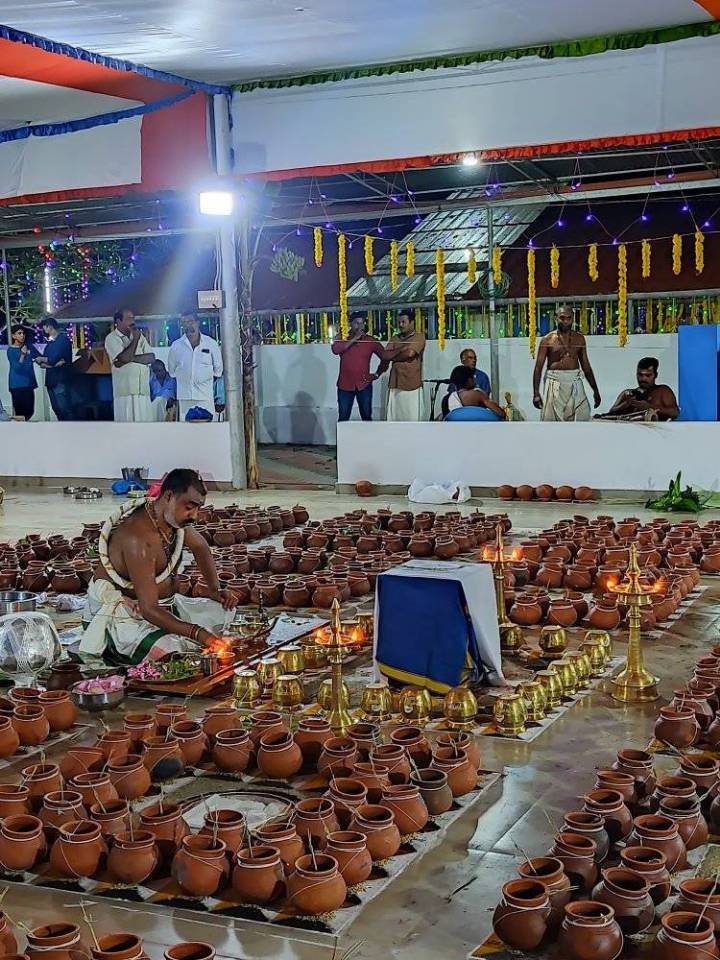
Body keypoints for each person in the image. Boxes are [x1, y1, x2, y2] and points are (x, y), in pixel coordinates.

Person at [79, 469, 238, 664]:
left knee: (224, 613)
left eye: (199, 508)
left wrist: (215, 590)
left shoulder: (172, 521)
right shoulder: (138, 539)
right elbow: (148, 609)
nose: (195, 515)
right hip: (123, 618)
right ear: (169, 496)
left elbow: (201, 547)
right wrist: (198, 633)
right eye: (190, 507)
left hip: (165, 606)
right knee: (172, 650)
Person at [532, 304, 601, 421]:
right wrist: (536, 394)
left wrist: (595, 390)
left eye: (569, 318)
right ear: (556, 318)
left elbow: (586, 366)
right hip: (554, 382)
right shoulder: (547, 339)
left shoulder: (579, 338)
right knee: (551, 422)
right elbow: (538, 368)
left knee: (582, 417)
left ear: (573, 318)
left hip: (575, 381)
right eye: (562, 318)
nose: (566, 321)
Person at [167, 312, 223, 421]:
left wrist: (202, 379)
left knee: (209, 432)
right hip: (185, 398)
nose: (188, 325)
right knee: (187, 433)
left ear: (197, 323)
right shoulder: (176, 346)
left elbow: (218, 370)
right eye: (185, 322)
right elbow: (172, 371)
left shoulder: (211, 344)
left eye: (191, 321)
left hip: (205, 397)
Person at [331, 311, 385, 421]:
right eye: (356, 323)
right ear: (350, 324)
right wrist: (354, 338)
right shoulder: (343, 337)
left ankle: (367, 438)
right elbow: (335, 350)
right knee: (343, 418)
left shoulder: (370, 340)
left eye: (362, 323)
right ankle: (344, 438)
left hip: (364, 385)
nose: (360, 326)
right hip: (345, 385)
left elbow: (385, 356)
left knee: (366, 418)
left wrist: (376, 374)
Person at [105, 308, 155, 422]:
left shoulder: (140, 337)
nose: (132, 321)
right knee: (127, 430)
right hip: (125, 394)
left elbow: (151, 358)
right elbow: (123, 358)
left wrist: (128, 359)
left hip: (143, 392)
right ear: (118, 321)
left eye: (133, 318)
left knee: (145, 430)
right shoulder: (112, 338)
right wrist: (135, 340)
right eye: (128, 319)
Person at [378, 310, 426, 421]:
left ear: (412, 322)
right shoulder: (395, 338)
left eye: (403, 322)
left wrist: (393, 356)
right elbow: (384, 355)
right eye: (399, 322)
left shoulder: (419, 337)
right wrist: (402, 350)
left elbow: (410, 354)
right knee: (395, 419)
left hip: (412, 385)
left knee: (412, 419)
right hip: (395, 384)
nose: (400, 325)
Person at [601, 357, 680, 421]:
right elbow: (610, 413)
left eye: (648, 375)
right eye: (640, 375)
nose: (643, 379)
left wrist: (649, 407)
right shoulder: (628, 393)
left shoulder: (663, 391)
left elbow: (675, 412)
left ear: (655, 375)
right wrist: (625, 405)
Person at [35, 317, 74, 421]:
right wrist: (50, 363)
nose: (43, 330)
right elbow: (45, 363)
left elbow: (55, 359)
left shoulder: (63, 341)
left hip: (60, 380)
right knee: (57, 409)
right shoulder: (50, 344)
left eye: (44, 327)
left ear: (50, 326)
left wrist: (45, 360)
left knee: (64, 409)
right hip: (51, 381)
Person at [441, 366, 507, 421]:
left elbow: (445, 420)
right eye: (473, 377)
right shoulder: (477, 394)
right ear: (469, 380)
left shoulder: (446, 399)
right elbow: (500, 413)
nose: (475, 380)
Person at [7, 327, 39, 420]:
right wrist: (23, 354)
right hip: (17, 385)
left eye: (23, 333)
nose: (22, 335)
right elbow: (17, 368)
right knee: (20, 411)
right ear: (14, 336)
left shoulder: (28, 346)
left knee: (30, 411)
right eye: (19, 333)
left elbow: (39, 357)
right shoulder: (11, 350)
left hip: (29, 384)